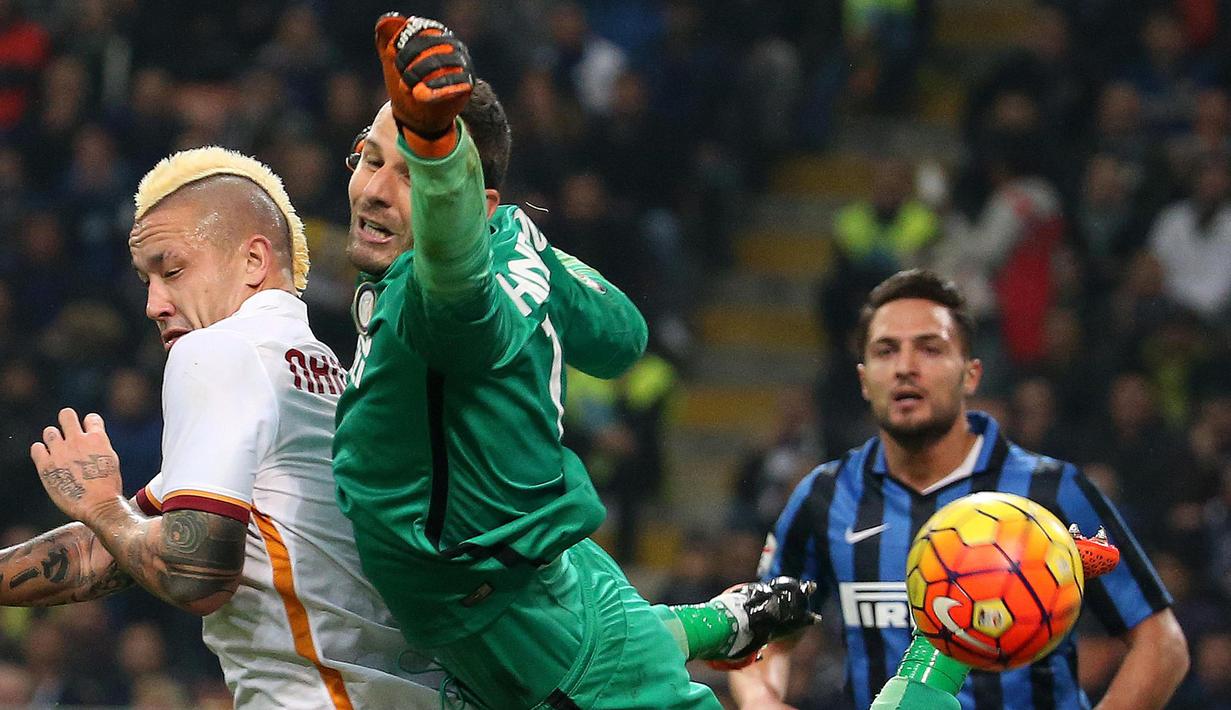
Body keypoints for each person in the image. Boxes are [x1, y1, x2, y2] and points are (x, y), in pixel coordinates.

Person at [330, 14, 814, 709]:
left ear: (472, 202)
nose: (373, 189)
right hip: (556, 586)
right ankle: (726, 621)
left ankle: (937, 665)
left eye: (414, 175)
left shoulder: (433, 300)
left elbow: (463, 308)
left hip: (558, 668)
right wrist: (530, 251)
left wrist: (440, 153)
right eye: (370, 157)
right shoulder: (508, 244)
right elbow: (620, 335)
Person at [16, 146, 442, 708]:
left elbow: (195, 571)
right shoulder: (329, 377)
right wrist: (114, 518)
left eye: (172, 271)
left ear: (253, 262)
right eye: (147, 280)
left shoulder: (218, 351)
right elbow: (108, 554)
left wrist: (100, 503)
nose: (153, 304)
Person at [731, 269, 1190, 709]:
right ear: (863, 379)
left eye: (929, 349)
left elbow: (1161, 643)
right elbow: (763, 629)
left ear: (970, 374)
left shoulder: (1051, 490)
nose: (905, 367)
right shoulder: (825, 496)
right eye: (886, 351)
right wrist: (760, 700)